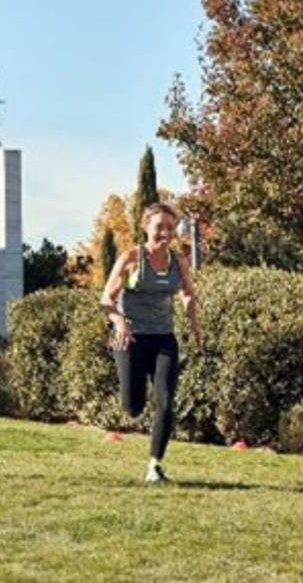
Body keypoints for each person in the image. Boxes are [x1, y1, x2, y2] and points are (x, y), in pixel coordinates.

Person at [99, 203, 202, 483]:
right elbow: (107, 298)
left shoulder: (177, 262)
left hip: (163, 338)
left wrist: (194, 322)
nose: (166, 233)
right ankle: (133, 399)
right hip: (131, 339)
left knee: (166, 402)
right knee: (133, 407)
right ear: (146, 227)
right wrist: (119, 322)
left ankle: (154, 466)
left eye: (171, 228)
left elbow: (188, 293)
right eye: (160, 227)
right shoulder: (132, 258)